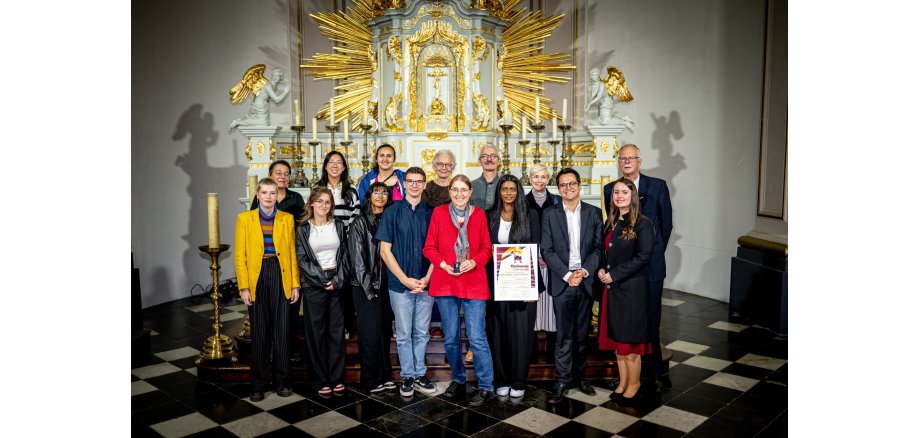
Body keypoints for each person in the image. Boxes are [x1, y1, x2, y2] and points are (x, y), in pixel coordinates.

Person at [602, 144, 673, 392]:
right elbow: (612, 227)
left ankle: (653, 374)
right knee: (624, 324)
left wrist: (647, 256)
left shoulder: (658, 186)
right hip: (623, 274)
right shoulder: (610, 188)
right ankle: (628, 378)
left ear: (640, 161)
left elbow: (666, 226)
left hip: (650, 268)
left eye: (631, 158)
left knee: (650, 322)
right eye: (622, 158)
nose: (627, 161)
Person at [423, 175, 496, 406]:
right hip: (446, 280)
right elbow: (429, 247)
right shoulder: (439, 213)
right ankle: (458, 378)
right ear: (450, 191)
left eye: (463, 190)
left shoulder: (480, 215)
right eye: (455, 190)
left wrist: (474, 262)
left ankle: (486, 385)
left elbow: (487, 248)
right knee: (452, 338)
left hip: (473, 281)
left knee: (477, 337)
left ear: (470, 191)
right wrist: (443, 265)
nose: (459, 194)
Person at [234, 178, 300, 402]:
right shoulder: (245, 219)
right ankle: (258, 383)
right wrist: (244, 286)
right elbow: (240, 255)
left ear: (277, 196)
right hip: (258, 275)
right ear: (258, 195)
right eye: (265, 193)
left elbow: (291, 253)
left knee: (282, 332)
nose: (269, 197)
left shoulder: (286, 219)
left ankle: (283, 381)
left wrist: (295, 284)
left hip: (281, 274)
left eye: (273, 193)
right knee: (260, 332)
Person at [540, 168, 603, 404]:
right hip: (562, 281)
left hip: (585, 280)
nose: (568, 188)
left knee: (582, 334)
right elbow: (547, 250)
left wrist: (584, 271)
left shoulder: (594, 213)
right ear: (558, 189)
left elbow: (598, 249)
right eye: (563, 185)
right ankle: (562, 380)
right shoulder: (550, 214)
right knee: (564, 335)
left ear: (579, 185)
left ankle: (581, 378)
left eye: (572, 183)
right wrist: (568, 275)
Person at [376, 166, 437, 397]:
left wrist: (427, 278)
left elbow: (438, 250)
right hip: (399, 286)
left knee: (421, 332)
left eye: (418, 181)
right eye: (410, 181)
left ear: (424, 184)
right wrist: (405, 279)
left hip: (426, 282)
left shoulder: (433, 214)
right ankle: (408, 376)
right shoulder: (391, 212)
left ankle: (420, 373)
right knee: (403, 333)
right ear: (405, 184)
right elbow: (385, 251)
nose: (414, 185)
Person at [598, 178, 654, 401]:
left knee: (629, 344)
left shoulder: (643, 223)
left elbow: (643, 257)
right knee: (618, 343)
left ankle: (634, 384)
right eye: (616, 193)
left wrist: (615, 274)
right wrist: (602, 269)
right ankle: (622, 382)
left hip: (631, 292)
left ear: (633, 196)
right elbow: (606, 252)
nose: (619, 196)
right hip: (612, 290)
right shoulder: (611, 222)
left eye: (624, 192)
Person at [485, 174, 541, 398]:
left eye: (512, 189)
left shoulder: (531, 216)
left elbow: (534, 251)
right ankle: (502, 379)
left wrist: (532, 286)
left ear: (518, 191)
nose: (508, 193)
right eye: (504, 189)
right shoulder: (490, 216)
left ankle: (518, 381)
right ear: (499, 192)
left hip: (522, 284)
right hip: (496, 285)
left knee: (521, 335)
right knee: (497, 333)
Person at [295, 187, 351, 396]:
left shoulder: (337, 225)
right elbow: (302, 259)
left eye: (327, 202)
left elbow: (345, 255)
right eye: (319, 201)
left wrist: (336, 280)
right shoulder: (302, 229)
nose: (323, 205)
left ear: (331, 206)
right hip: (314, 286)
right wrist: (321, 280)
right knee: (315, 334)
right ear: (311, 203)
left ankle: (336, 378)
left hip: (337, 282)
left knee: (336, 333)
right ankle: (319, 380)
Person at [249, 160, 306, 362]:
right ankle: (268, 352)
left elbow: (303, 225)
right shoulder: (260, 200)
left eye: (286, 173)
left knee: (289, 309)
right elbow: (253, 228)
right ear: (270, 175)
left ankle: (288, 348)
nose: (283, 176)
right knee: (265, 312)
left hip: (288, 258)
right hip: (265, 262)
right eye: (278, 173)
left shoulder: (296, 198)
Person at [349, 182, 396, 394]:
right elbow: (357, 260)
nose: (380, 195)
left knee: (384, 332)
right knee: (369, 335)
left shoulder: (389, 219)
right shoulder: (360, 222)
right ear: (369, 196)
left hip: (387, 284)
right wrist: (369, 289)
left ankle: (385, 376)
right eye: (376, 192)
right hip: (366, 286)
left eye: (384, 192)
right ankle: (370, 380)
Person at [314, 150, 360, 340]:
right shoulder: (318, 189)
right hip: (322, 246)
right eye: (331, 162)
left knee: (344, 289)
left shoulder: (350, 190)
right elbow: (314, 216)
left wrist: (347, 245)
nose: (335, 165)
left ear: (343, 167)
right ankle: (324, 327)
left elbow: (355, 219)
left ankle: (345, 326)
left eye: (339, 162)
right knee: (323, 287)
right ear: (325, 166)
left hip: (345, 247)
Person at [525, 164, 561, 362]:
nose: (539, 180)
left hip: (552, 262)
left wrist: (547, 257)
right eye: (535, 177)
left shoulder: (556, 201)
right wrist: (533, 257)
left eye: (543, 177)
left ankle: (553, 354)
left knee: (551, 309)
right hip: (529, 262)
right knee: (532, 309)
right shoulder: (522, 202)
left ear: (548, 179)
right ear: (529, 179)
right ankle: (531, 355)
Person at [421, 149, 456, 338]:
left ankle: (450, 323)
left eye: (448, 164)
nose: (444, 167)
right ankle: (435, 323)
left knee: (451, 285)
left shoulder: (457, 187)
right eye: (440, 164)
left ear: (453, 167)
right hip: (432, 242)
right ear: (434, 166)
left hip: (454, 244)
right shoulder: (426, 188)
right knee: (434, 283)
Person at [229, 67, 290, 132]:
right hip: (260, 106)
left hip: (263, 105)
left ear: (280, 77)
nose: (275, 77)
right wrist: (285, 92)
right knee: (263, 123)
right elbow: (276, 99)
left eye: (277, 76)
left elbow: (269, 97)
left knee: (265, 123)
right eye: (274, 75)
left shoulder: (274, 85)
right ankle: (237, 122)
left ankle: (241, 121)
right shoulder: (268, 86)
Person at [470, 145, 500, 211]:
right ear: (479, 161)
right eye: (484, 156)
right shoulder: (471, 186)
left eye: (493, 156)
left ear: (498, 161)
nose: (489, 159)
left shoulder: (505, 184)